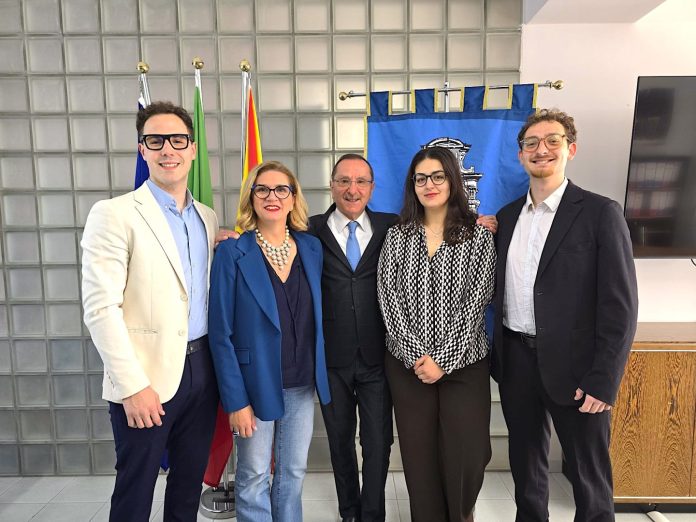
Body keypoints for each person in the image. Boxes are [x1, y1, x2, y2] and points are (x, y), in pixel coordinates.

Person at [491, 109, 639, 522]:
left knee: (589, 477)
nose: (541, 149)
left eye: (552, 141)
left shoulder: (600, 213)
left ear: (570, 149)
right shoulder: (506, 217)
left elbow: (620, 306)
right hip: (516, 360)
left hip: (578, 369)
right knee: (526, 469)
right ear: (520, 154)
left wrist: (604, 379)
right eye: (532, 143)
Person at [81, 101, 219, 521]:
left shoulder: (207, 218)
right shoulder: (114, 214)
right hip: (145, 380)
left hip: (202, 372)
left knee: (187, 490)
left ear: (192, 148)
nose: (167, 149)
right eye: (155, 141)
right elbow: (100, 308)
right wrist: (131, 386)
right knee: (135, 493)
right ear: (142, 149)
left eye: (177, 140)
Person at [377, 146, 496, 522]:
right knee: (420, 458)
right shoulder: (397, 237)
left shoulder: (478, 237)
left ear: (453, 181)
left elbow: (477, 304)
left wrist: (442, 360)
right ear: (412, 185)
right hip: (408, 368)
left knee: (467, 454)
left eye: (438, 176)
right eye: (421, 178)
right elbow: (389, 300)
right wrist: (418, 357)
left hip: (465, 367)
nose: (429, 185)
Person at [208, 160, 331, 522]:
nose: (271, 196)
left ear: (293, 198)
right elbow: (220, 333)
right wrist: (236, 402)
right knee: (253, 476)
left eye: (281, 189)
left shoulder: (311, 248)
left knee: (292, 474)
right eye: (262, 189)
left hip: (301, 382)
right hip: (254, 385)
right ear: (251, 198)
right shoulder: (232, 252)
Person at [308, 154, 396, 522]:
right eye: (344, 181)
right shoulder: (308, 229)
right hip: (331, 358)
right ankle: (349, 511)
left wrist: (478, 222)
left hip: (379, 357)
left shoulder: (393, 226)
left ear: (372, 188)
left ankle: (372, 514)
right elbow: (268, 238)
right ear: (331, 185)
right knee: (340, 440)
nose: (352, 189)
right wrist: (228, 236)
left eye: (361, 181)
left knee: (378, 442)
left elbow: (438, 226)